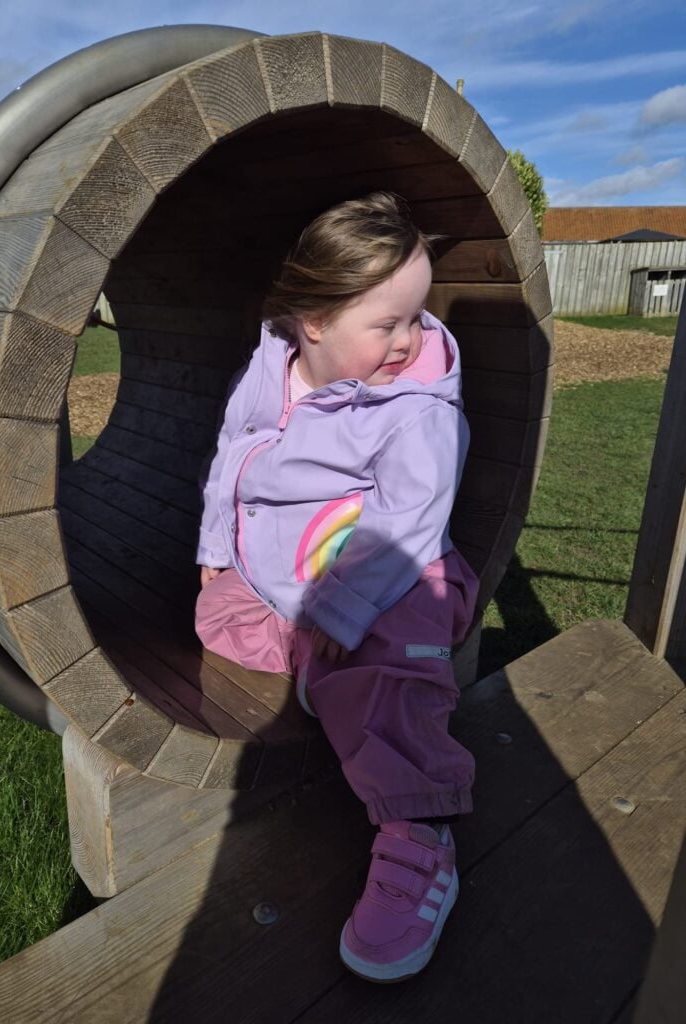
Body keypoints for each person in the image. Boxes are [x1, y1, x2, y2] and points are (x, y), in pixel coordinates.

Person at [194, 191, 479, 983]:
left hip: (386, 569)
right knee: (214, 619)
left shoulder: (415, 410)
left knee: (392, 668)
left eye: (416, 318)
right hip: (280, 572)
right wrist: (217, 546)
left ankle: (422, 837)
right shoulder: (271, 366)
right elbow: (233, 453)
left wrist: (349, 606)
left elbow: (413, 514)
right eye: (386, 324)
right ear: (312, 320)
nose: (408, 339)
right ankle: (323, 668)